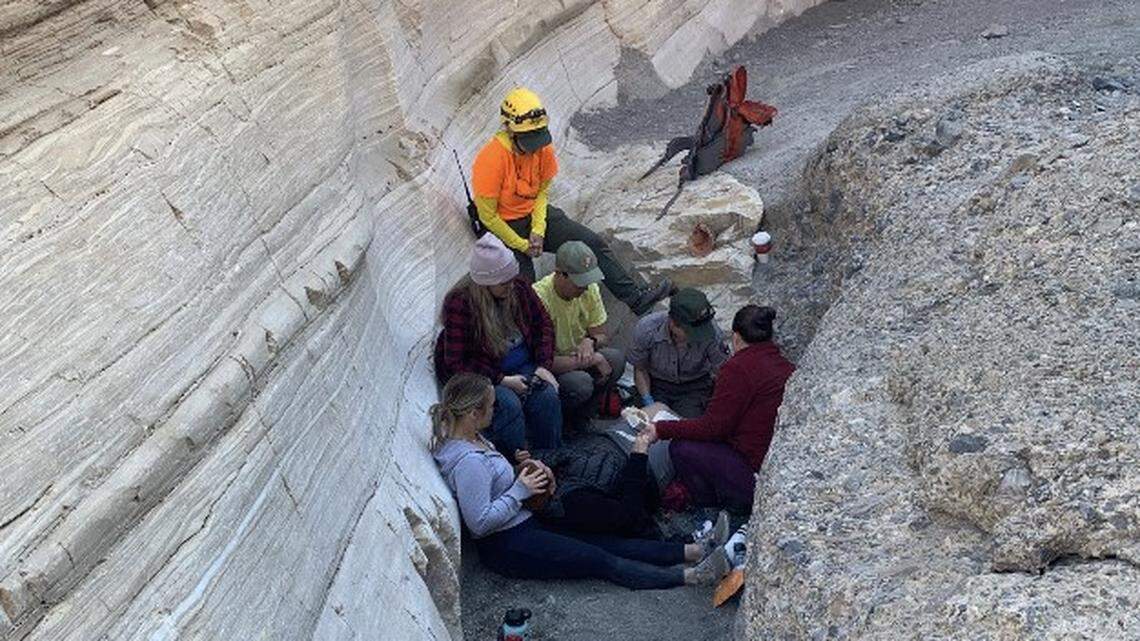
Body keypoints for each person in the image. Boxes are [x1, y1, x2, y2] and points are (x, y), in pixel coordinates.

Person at [431, 373, 731, 589]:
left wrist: (522, 470)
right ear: (473, 413)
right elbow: (479, 523)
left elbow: (493, 485)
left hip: (523, 523)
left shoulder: (474, 439)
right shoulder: (468, 461)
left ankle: (692, 551)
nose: (495, 411)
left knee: (608, 542)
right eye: (491, 406)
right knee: (600, 560)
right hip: (508, 544)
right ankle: (692, 577)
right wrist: (519, 491)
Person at [471, 86, 672, 315]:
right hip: (505, 225)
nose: (535, 147)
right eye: (528, 139)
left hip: (536, 215)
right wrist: (522, 245)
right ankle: (523, 338)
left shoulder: (541, 148)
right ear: (509, 129)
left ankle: (636, 298)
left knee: (591, 242)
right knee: (522, 288)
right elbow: (487, 216)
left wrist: (538, 229)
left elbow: (541, 193)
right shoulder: (491, 159)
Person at [645, 305, 794, 513]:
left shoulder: (738, 368)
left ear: (735, 337)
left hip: (752, 472)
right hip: (773, 463)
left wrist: (661, 429)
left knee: (681, 447)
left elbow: (714, 428)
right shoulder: (785, 366)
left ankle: (707, 506)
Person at [434, 233, 562, 454]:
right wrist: (501, 379)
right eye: (503, 283)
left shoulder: (518, 287)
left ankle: (550, 456)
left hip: (524, 364)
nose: (510, 286)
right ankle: (518, 460)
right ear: (486, 283)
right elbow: (456, 361)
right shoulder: (461, 303)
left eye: (511, 280)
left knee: (546, 396)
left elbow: (543, 324)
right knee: (507, 405)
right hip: (484, 375)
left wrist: (543, 365)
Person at [516, 428, 727, 540]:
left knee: (659, 409)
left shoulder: (545, 477)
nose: (540, 462)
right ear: (549, 484)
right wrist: (638, 456)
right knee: (682, 436)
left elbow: (559, 455)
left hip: (612, 442)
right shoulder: (576, 502)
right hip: (642, 466)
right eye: (540, 465)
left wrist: (525, 456)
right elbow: (630, 512)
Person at [532, 241, 625, 429]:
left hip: (579, 357)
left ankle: (586, 415)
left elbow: (601, 333)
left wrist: (590, 341)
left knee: (616, 359)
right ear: (560, 274)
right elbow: (542, 361)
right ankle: (564, 421)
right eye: (579, 283)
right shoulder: (538, 299)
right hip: (552, 369)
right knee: (580, 384)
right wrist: (591, 360)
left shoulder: (589, 289)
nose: (584, 288)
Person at [628, 288, 731, 418]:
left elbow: (723, 373)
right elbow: (640, 369)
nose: (698, 336)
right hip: (656, 384)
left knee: (686, 427)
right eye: (692, 331)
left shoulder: (712, 334)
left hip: (694, 387)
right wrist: (648, 400)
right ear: (673, 323)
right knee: (644, 422)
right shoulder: (647, 329)